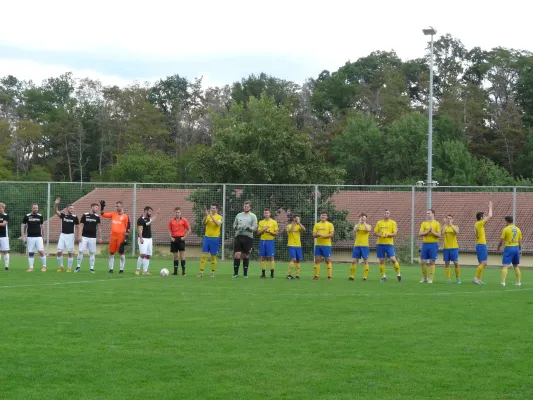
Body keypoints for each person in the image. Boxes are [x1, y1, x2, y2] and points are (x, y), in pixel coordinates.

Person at [100, 200, 130, 274]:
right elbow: (102, 214)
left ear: (122, 206)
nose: (117, 207)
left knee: (121, 253)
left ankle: (121, 270)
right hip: (113, 236)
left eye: (118, 206)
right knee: (111, 252)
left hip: (121, 237)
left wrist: (126, 238)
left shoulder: (125, 216)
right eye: (116, 206)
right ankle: (111, 269)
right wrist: (102, 207)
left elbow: (128, 227)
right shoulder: (113, 214)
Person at [374, 209, 401, 282]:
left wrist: (388, 234)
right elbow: (375, 232)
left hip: (389, 244)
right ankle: (383, 276)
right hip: (380, 244)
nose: (386, 214)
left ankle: (398, 274)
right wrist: (378, 234)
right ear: (383, 214)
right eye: (385, 213)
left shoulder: (393, 223)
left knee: (393, 259)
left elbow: (395, 233)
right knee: (382, 261)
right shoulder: (379, 222)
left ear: (389, 214)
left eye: (387, 213)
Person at [232, 201, 258, 278]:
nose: (245, 207)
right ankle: (235, 273)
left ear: (250, 207)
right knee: (237, 255)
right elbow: (234, 225)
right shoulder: (238, 215)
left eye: (247, 206)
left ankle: (245, 274)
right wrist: (238, 227)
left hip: (248, 237)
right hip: (239, 236)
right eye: (244, 206)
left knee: (245, 256)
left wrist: (248, 228)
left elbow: (255, 228)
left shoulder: (253, 216)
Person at [54, 198, 80, 272]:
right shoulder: (63, 215)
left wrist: (78, 236)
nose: (72, 209)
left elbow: (78, 227)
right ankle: (61, 266)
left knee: (70, 252)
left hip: (71, 235)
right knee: (59, 251)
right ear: (67, 209)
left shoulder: (75, 217)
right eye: (70, 208)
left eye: (73, 208)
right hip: (62, 235)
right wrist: (56, 204)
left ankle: (69, 268)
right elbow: (56, 211)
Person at [76, 203, 102, 273]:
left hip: (93, 237)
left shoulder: (97, 217)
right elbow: (81, 226)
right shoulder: (85, 215)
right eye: (96, 207)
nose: (97, 209)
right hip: (84, 237)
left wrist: (100, 237)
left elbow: (99, 228)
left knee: (92, 253)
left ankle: (91, 268)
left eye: (97, 208)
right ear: (92, 207)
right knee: (81, 251)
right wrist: (79, 236)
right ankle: (78, 267)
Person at [198, 203, 222, 278]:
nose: (212, 209)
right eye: (211, 208)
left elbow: (218, 224)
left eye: (214, 208)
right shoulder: (208, 216)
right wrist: (205, 216)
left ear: (216, 209)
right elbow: (203, 223)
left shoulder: (219, 217)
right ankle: (201, 272)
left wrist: (211, 216)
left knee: (213, 256)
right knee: (204, 255)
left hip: (215, 238)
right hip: (207, 238)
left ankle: (212, 272)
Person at [497, 216, 522, 287]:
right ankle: (518, 282)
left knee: (505, 266)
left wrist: (498, 247)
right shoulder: (518, 229)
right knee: (516, 266)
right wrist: (520, 249)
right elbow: (520, 241)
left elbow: (501, 240)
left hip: (509, 248)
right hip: (516, 248)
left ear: (507, 221)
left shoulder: (506, 229)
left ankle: (503, 282)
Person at [21, 204, 47, 272]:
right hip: (30, 237)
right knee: (31, 252)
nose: (35, 209)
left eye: (36, 208)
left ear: (38, 209)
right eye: (34, 208)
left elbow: (43, 226)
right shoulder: (27, 216)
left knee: (41, 251)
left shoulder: (40, 216)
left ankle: (44, 267)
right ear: (32, 208)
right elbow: (23, 226)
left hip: (38, 237)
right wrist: (23, 236)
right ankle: (31, 267)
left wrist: (44, 236)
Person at [419, 209, 441, 283]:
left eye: (429, 213)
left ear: (433, 214)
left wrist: (432, 232)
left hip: (433, 244)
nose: (427, 214)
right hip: (425, 244)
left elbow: (439, 235)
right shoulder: (424, 223)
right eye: (427, 213)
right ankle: (425, 278)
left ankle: (430, 278)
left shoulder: (437, 223)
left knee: (432, 261)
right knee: (423, 261)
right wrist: (427, 232)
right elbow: (420, 233)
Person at [473, 201, 492, 285]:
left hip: (480, 245)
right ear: (481, 217)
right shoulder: (480, 223)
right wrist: (490, 207)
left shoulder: (478, 224)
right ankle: (476, 278)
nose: (485, 218)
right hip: (481, 245)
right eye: (484, 216)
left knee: (481, 263)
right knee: (484, 263)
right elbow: (490, 216)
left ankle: (478, 279)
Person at [136, 206, 159, 276]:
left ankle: (145, 271)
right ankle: (137, 269)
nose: (151, 213)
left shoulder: (148, 219)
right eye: (150, 211)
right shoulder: (140, 219)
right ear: (145, 211)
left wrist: (157, 214)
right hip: (143, 238)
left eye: (151, 212)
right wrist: (141, 238)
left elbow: (152, 219)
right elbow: (139, 229)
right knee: (143, 254)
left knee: (148, 255)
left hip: (149, 239)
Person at [168, 207, 190, 276]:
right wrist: (171, 237)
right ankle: (175, 272)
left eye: (178, 212)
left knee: (182, 256)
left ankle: (183, 272)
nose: (177, 213)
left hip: (181, 239)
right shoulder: (171, 221)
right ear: (174, 213)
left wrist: (184, 237)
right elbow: (169, 230)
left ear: (181, 213)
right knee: (175, 256)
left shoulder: (184, 220)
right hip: (174, 239)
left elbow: (189, 229)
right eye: (176, 212)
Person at [312, 212, 334, 280]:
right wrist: (318, 234)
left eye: (324, 215)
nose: (323, 216)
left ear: (327, 217)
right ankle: (316, 276)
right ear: (320, 216)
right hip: (318, 245)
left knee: (327, 260)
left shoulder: (330, 224)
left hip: (327, 245)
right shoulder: (317, 225)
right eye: (322, 215)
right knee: (317, 260)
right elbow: (314, 235)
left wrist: (323, 235)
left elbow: (331, 234)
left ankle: (329, 276)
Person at [258, 208, 279, 279]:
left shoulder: (274, 222)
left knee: (271, 257)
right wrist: (263, 230)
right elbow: (258, 233)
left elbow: (276, 233)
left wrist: (270, 232)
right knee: (262, 257)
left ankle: (272, 274)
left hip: (270, 241)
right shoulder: (261, 222)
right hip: (263, 241)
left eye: (267, 213)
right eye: (265, 213)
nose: (266, 214)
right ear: (264, 214)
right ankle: (263, 274)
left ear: (270, 214)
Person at [350, 213, 371, 281]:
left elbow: (368, 230)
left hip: (365, 245)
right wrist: (359, 223)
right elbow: (355, 230)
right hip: (357, 245)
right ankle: (351, 276)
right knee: (353, 261)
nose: (362, 218)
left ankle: (365, 277)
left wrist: (364, 223)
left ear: (366, 218)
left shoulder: (368, 225)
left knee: (365, 260)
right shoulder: (357, 225)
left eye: (363, 217)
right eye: (361, 217)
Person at [442, 214, 461, 284]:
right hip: (446, 248)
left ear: (452, 220)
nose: (449, 219)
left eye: (450, 218)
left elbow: (457, 232)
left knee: (456, 263)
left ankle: (458, 278)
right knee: (447, 263)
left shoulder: (456, 226)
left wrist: (451, 225)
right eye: (448, 218)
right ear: (446, 219)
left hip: (454, 247)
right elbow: (442, 233)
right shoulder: (444, 227)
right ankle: (448, 279)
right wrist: (445, 224)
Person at [286, 215, 305, 280]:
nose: (297, 219)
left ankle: (297, 275)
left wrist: (299, 223)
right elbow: (290, 230)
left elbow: (304, 229)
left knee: (298, 260)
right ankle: (288, 274)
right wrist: (294, 223)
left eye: (298, 219)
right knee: (294, 259)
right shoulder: (289, 225)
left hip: (298, 245)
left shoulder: (298, 226)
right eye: (296, 218)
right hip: (291, 245)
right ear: (294, 218)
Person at [0, 202, 10, 271]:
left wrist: (2, 223)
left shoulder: (6, 216)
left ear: (3, 208)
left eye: (0, 207)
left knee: (5, 251)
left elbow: (4, 224)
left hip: (4, 236)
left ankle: (6, 266)